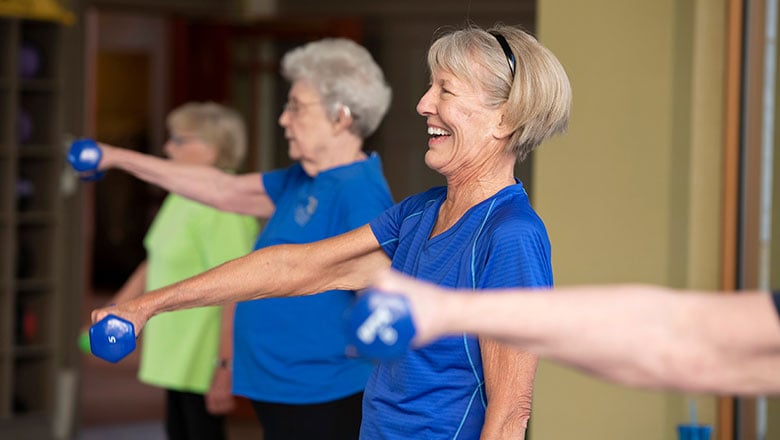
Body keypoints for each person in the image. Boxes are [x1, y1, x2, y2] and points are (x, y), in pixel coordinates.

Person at [89, 24, 571, 439]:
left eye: (445, 90)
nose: (424, 103)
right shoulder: (419, 213)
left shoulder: (510, 235)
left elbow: (509, 414)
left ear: (504, 118)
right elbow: (295, 266)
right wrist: (146, 305)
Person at [78, 39, 394, 440]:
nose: (283, 119)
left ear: (340, 117)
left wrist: (146, 306)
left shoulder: (359, 192)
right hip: (280, 389)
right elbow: (221, 189)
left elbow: (371, 296)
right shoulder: (305, 178)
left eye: (296, 107)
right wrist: (117, 158)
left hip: (323, 394)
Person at [91, 102, 259, 440]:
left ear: (212, 149)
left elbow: (240, 289)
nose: (168, 148)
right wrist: (115, 308)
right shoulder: (182, 196)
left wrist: (225, 365)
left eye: (179, 140)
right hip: (173, 349)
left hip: (202, 355)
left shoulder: (225, 206)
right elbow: (154, 261)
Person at [366, 269, 780, 396]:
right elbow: (675, 344)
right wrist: (443, 310)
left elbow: (674, 339)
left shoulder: (513, 229)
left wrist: (446, 309)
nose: (425, 105)